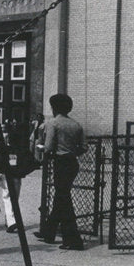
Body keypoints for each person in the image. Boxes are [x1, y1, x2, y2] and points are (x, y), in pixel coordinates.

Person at [35, 93, 86, 250]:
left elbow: (49, 147)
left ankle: (73, 240)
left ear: (54, 107)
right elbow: (84, 147)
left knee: (64, 201)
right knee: (61, 197)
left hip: (60, 163)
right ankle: (48, 232)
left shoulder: (53, 123)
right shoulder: (76, 125)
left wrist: (39, 146)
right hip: (72, 163)